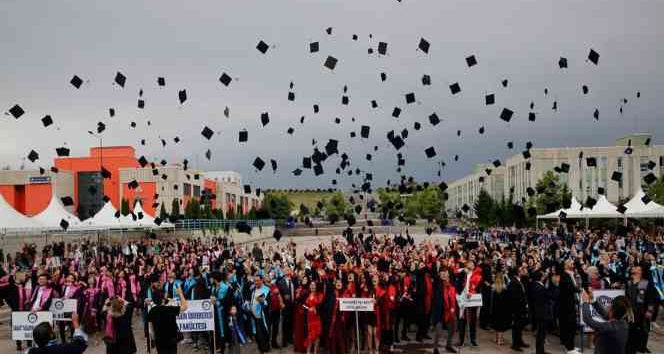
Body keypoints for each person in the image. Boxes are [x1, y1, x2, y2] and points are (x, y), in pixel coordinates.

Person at [581, 289, 631, 354]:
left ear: (612, 311)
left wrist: (585, 302)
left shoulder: (609, 328)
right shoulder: (623, 324)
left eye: (610, 305)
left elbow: (588, 320)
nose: (608, 306)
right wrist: (593, 301)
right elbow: (606, 315)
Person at [147, 284, 188, 354]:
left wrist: (154, 338)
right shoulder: (169, 309)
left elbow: (151, 328)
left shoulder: (152, 311)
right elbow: (185, 307)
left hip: (159, 340)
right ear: (163, 299)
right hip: (171, 339)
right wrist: (180, 294)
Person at [625, 266, 657, 354]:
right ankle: (631, 348)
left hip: (642, 311)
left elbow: (651, 298)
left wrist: (650, 311)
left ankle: (641, 348)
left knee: (643, 330)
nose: (633, 268)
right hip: (630, 311)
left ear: (641, 271)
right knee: (631, 331)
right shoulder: (629, 282)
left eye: (636, 268)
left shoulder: (646, 283)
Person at [558, 260, 581, 354]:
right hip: (567, 305)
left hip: (571, 303)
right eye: (571, 263)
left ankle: (569, 345)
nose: (573, 264)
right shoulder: (564, 275)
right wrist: (579, 289)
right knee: (570, 326)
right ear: (566, 265)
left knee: (571, 325)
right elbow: (569, 288)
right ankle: (570, 348)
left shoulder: (571, 275)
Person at [508, 266, 530, 351]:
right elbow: (514, 297)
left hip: (521, 307)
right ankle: (515, 344)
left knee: (520, 326)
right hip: (517, 308)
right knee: (516, 326)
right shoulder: (513, 282)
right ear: (518, 272)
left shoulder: (520, 281)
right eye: (522, 270)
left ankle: (520, 341)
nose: (524, 271)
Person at [531, 270, 552, 354]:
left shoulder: (536, 284)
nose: (544, 276)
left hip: (540, 311)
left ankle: (541, 350)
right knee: (541, 333)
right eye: (543, 275)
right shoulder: (539, 287)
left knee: (541, 333)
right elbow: (549, 296)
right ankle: (539, 351)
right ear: (540, 278)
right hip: (541, 312)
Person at [491, 269, 511, 346]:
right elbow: (507, 300)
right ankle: (500, 340)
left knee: (496, 324)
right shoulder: (504, 287)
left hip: (495, 308)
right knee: (501, 326)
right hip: (502, 309)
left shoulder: (493, 287)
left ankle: (496, 339)